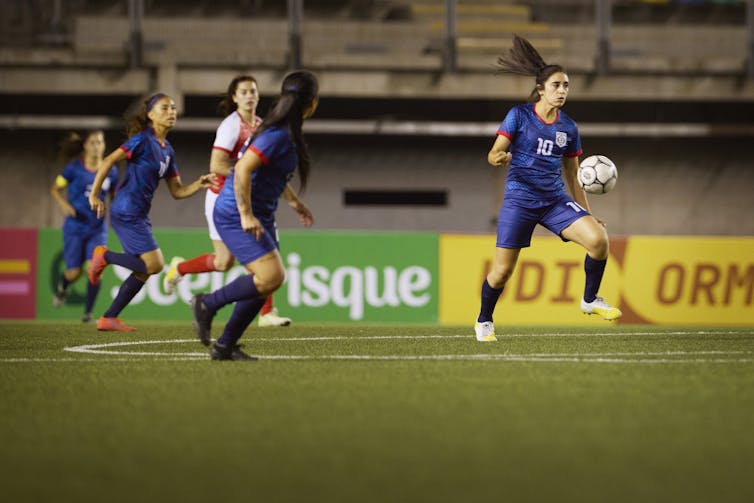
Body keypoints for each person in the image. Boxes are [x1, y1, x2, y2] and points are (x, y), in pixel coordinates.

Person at [475, 35, 622, 342]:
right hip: (519, 200)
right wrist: (496, 157)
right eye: (557, 85)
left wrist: (588, 213)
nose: (562, 91)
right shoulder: (519, 116)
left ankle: (590, 299)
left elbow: (574, 173)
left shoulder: (568, 127)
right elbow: (494, 152)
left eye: (566, 86)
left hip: (554, 201)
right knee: (502, 273)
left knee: (599, 241)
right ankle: (484, 320)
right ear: (540, 89)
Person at [191, 70, 317, 361]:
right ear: (312, 103)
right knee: (272, 275)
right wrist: (246, 214)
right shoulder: (278, 134)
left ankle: (224, 345)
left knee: (266, 281)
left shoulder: (279, 129)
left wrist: (295, 203)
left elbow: (270, 174)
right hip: (235, 212)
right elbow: (243, 169)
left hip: (262, 212)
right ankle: (207, 304)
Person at [163, 75, 294, 328]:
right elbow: (217, 165)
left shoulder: (260, 125)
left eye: (253, 91)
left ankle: (266, 313)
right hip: (222, 199)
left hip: (246, 198)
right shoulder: (230, 126)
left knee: (263, 253)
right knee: (224, 262)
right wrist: (249, 170)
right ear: (234, 97)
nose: (249, 95)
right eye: (243, 91)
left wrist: (290, 198)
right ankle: (180, 268)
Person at [87, 93, 216, 331]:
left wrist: (199, 183)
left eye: (174, 108)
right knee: (154, 265)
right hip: (126, 210)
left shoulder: (168, 151)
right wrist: (95, 194)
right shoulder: (142, 140)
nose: (172, 112)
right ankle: (103, 256)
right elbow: (108, 161)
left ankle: (108, 318)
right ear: (150, 115)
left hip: (138, 214)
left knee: (143, 270)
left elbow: (177, 191)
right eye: (165, 108)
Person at [50, 130, 119, 322]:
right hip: (75, 227)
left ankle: (87, 314)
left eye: (100, 142)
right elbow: (55, 189)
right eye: (93, 143)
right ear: (85, 146)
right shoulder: (73, 169)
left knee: (95, 269)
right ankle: (63, 287)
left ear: (104, 146)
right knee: (74, 272)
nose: (97, 146)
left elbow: (115, 196)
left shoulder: (111, 171)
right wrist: (64, 205)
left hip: (97, 228)